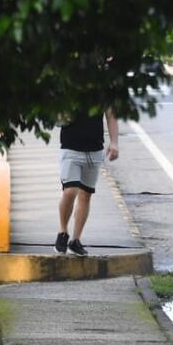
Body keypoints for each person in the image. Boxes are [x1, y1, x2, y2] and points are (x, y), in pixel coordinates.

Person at [54, 107, 119, 256]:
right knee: (70, 191)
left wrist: (114, 142)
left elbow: (111, 115)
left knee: (86, 195)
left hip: (95, 150)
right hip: (70, 148)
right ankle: (63, 231)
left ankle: (75, 240)